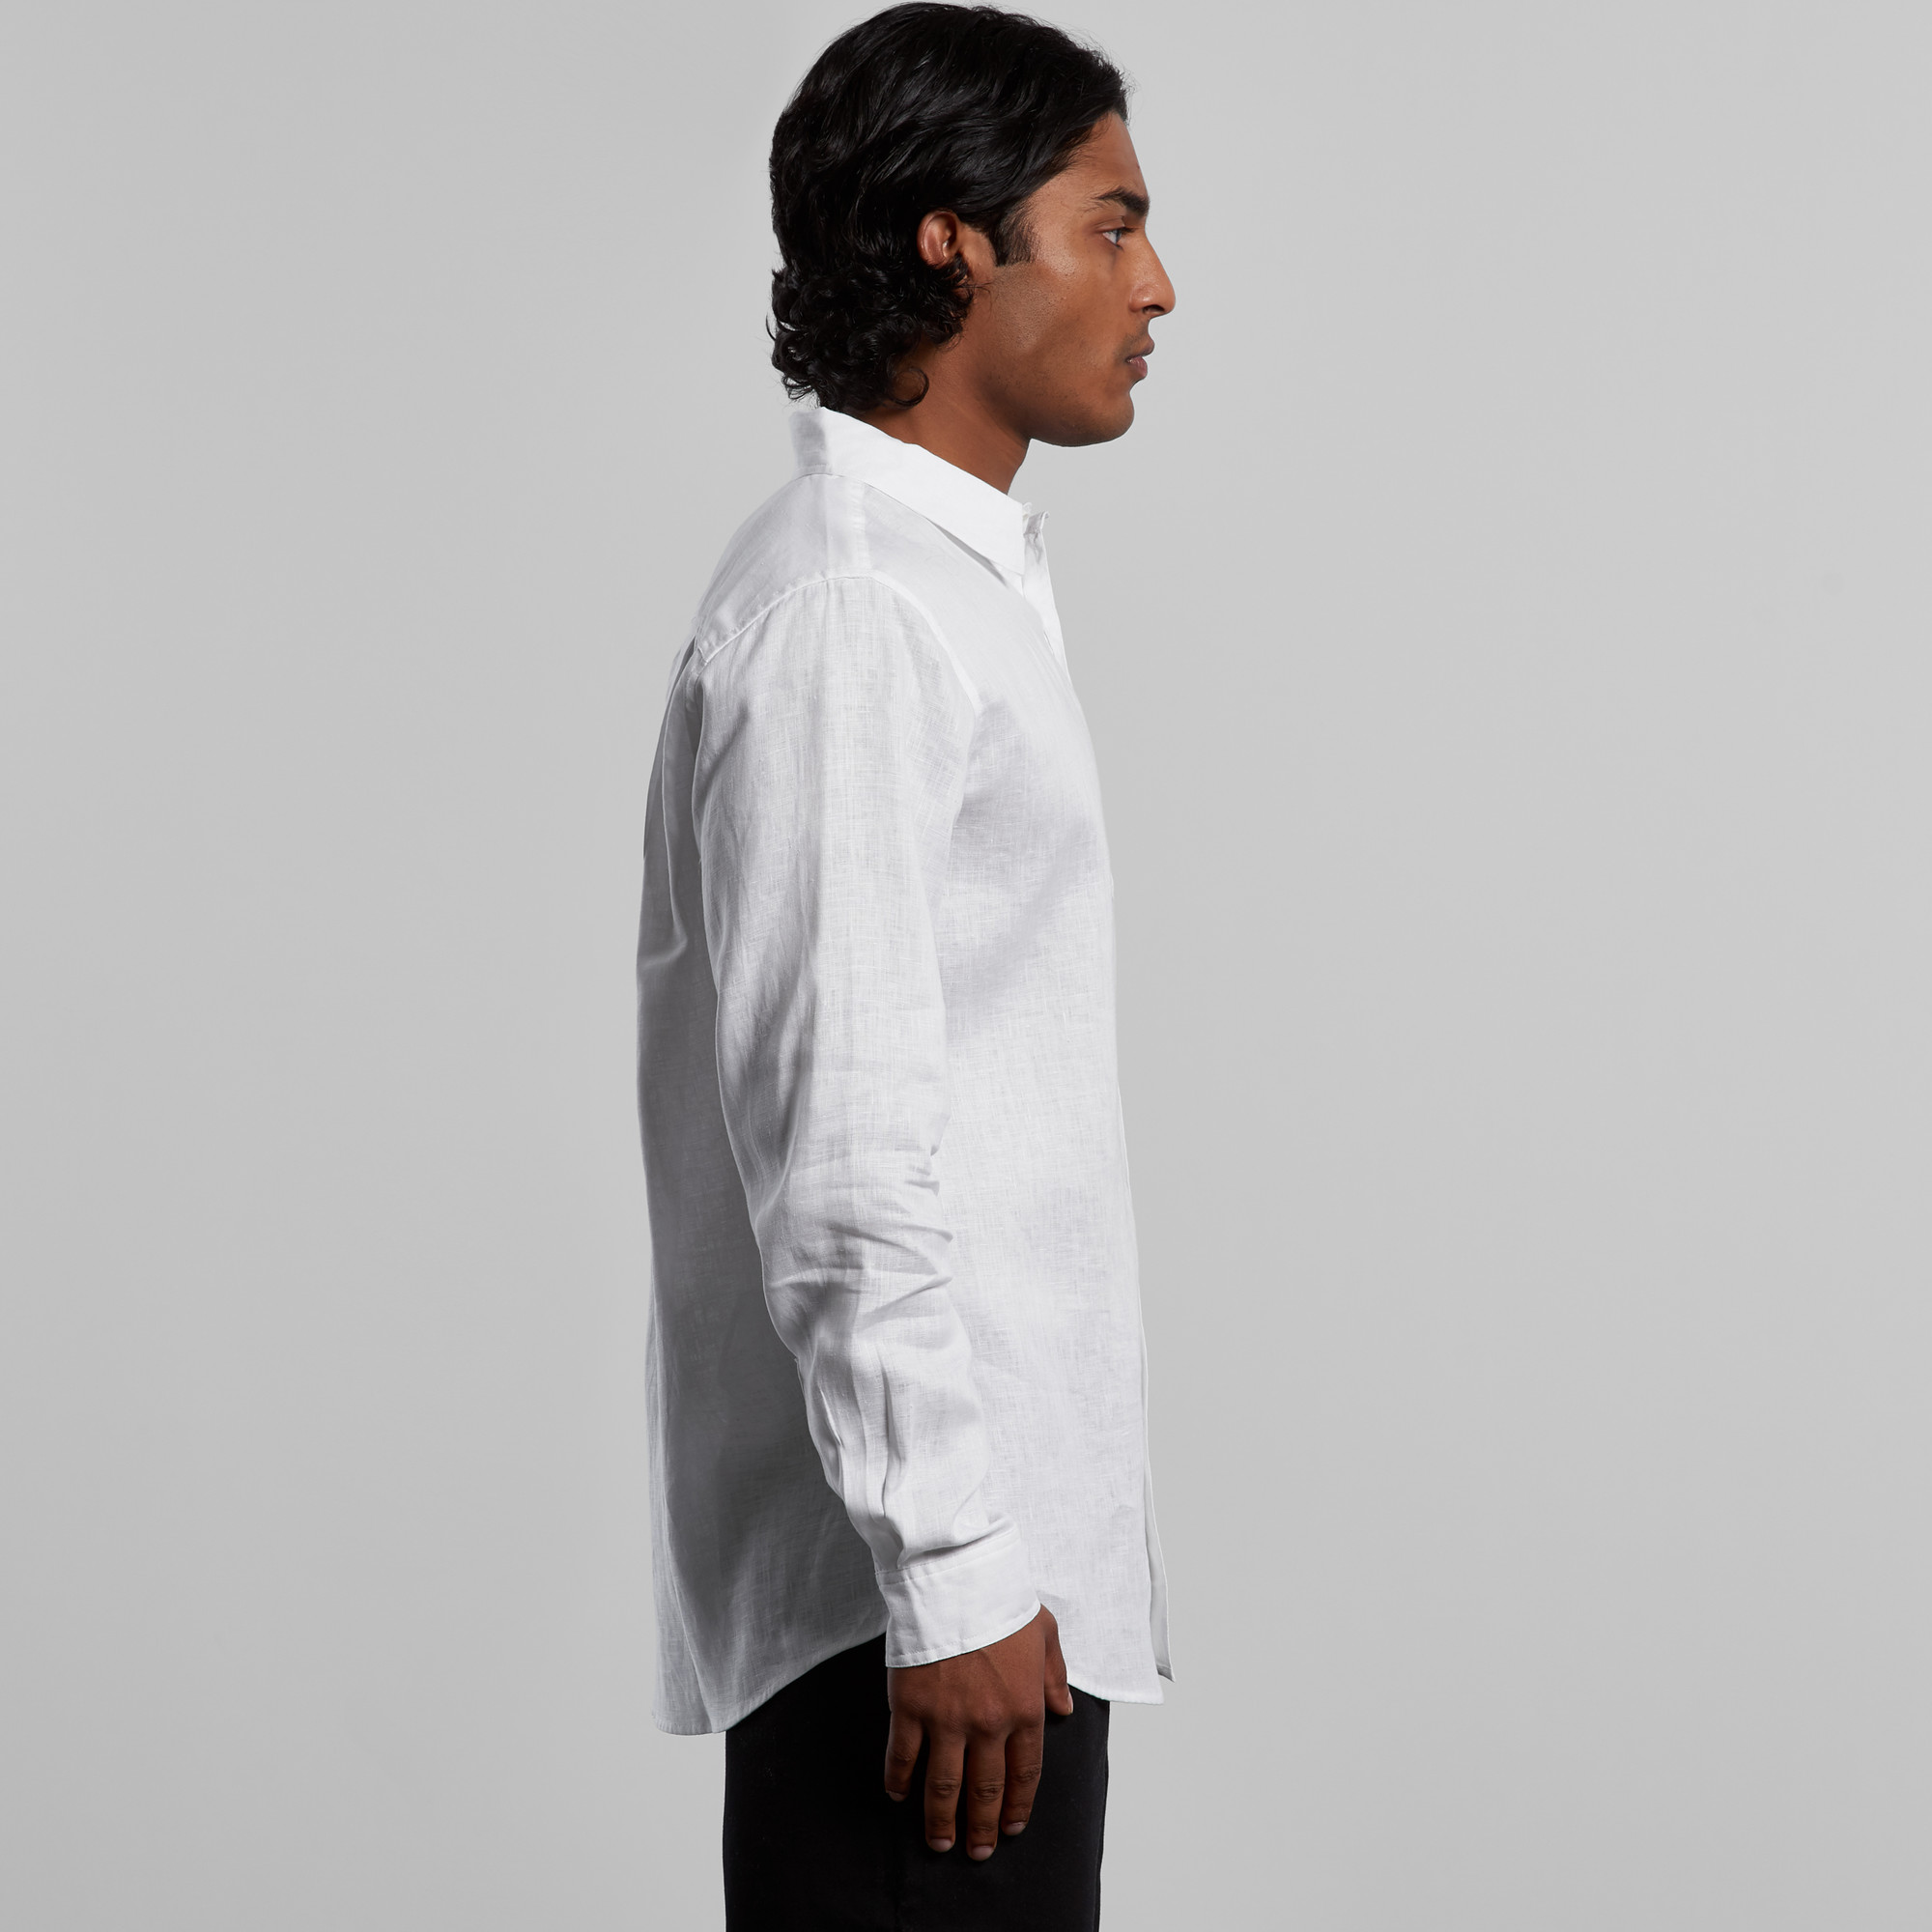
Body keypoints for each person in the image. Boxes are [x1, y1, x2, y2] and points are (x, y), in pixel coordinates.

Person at [636, 6, 1177, 1923]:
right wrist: (950, 1569)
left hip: (978, 1598)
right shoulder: (855, 612)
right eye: (1111, 224)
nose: (1158, 286)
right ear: (953, 240)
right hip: (926, 1619)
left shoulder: (934, 591)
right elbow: (843, 1149)